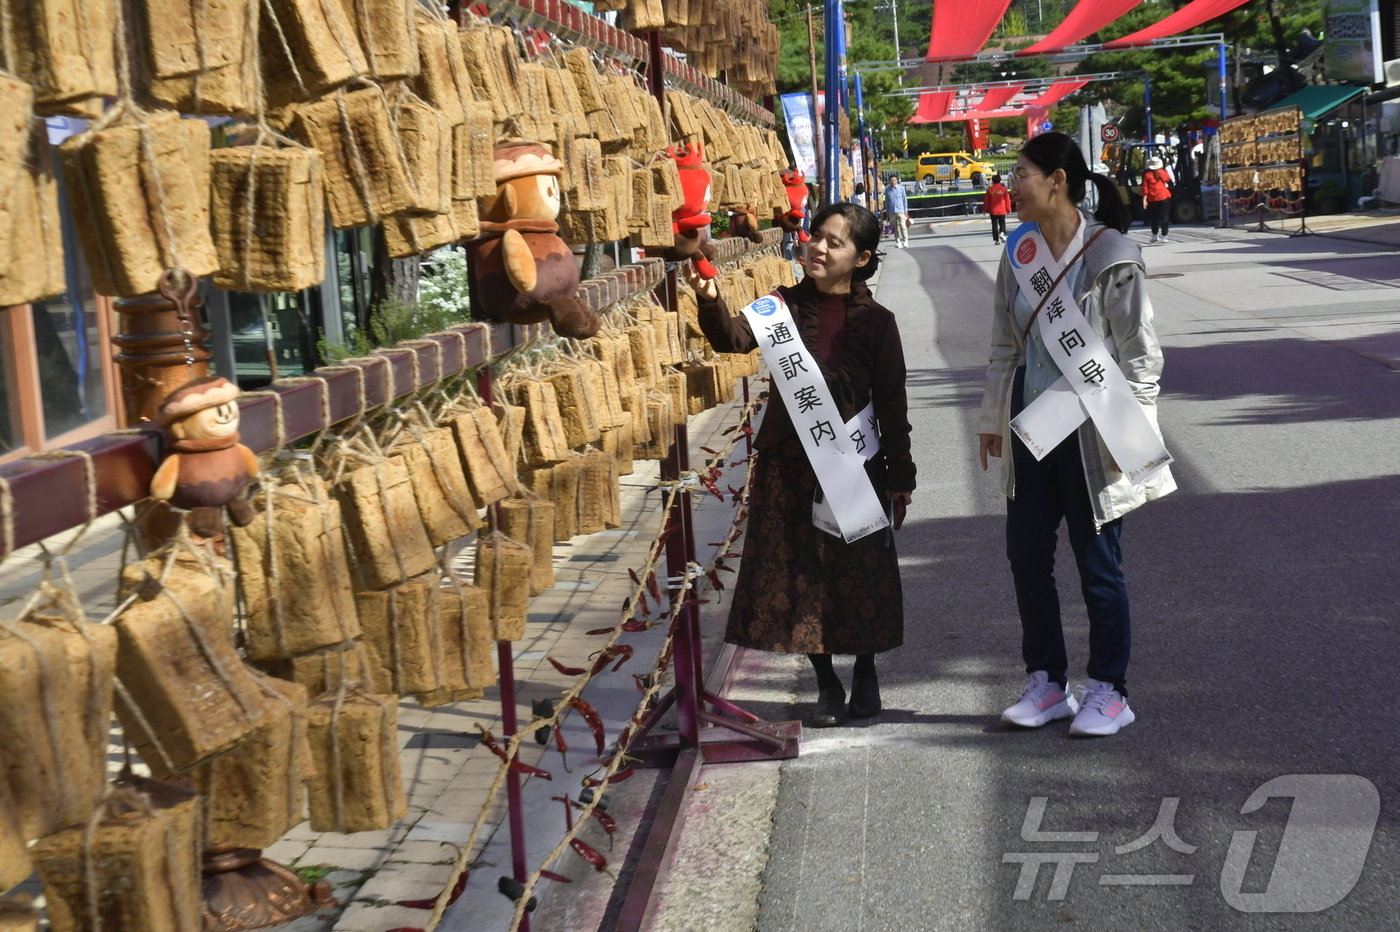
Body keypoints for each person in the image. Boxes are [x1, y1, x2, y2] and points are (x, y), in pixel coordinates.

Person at [976, 132, 1175, 738]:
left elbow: (1141, 356)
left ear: (1057, 180)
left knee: (1098, 563)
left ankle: (1109, 690)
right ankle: (1046, 682)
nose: (1012, 184)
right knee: (1026, 555)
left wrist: (1134, 430)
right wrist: (990, 418)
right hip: (1033, 424)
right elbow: (1004, 344)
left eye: (1022, 172)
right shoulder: (1020, 250)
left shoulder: (1112, 253)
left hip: (1096, 429)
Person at [687, 202, 915, 728]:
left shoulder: (879, 324)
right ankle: (826, 682)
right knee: (803, 575)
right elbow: (733, 339)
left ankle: (865, 670)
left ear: (862, 258)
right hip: (791, 467)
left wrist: (901, 478)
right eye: (817, 236)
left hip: (857, 462)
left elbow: (894, 404)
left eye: (836, 242)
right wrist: (711, 298)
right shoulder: (780, 308)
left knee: (861, 571)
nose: (819, 247)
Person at [1141, 155, 1173, 242]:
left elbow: (1145, 188)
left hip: (1152, 199)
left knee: (1154, 217)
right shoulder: (1162, 172)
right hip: (1163, 196)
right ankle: (1164, 235)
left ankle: (1155, 235)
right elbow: (1170, 182)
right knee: (1164, 217)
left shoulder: (1147, 175)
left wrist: (1144, 199)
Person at [983, 172, 1012, 244]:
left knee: (994, 225)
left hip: (993, 210)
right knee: (1002, 223)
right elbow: (1007, 200)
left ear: (992, 180)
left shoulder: (989, 189)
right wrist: (1009, 209)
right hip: (1002, 209)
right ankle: (1002, 233)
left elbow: (986, 200)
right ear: (1000, 180)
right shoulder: (1004, 189)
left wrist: (984, 210)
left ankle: (996, 240)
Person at [883, 174, 910, 248]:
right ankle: (898, 242)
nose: (893, 182)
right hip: (891, 211)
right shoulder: (887, 189)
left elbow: (904, 200)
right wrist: (887, 212)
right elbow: (887, 201)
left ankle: (905, 241)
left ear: (897, 180)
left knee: (903, 226)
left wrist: (905, 210)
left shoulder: (901, 188)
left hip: (901, 211)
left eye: (894, 180)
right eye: (891, 180)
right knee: (894, 227)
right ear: (889, 181)